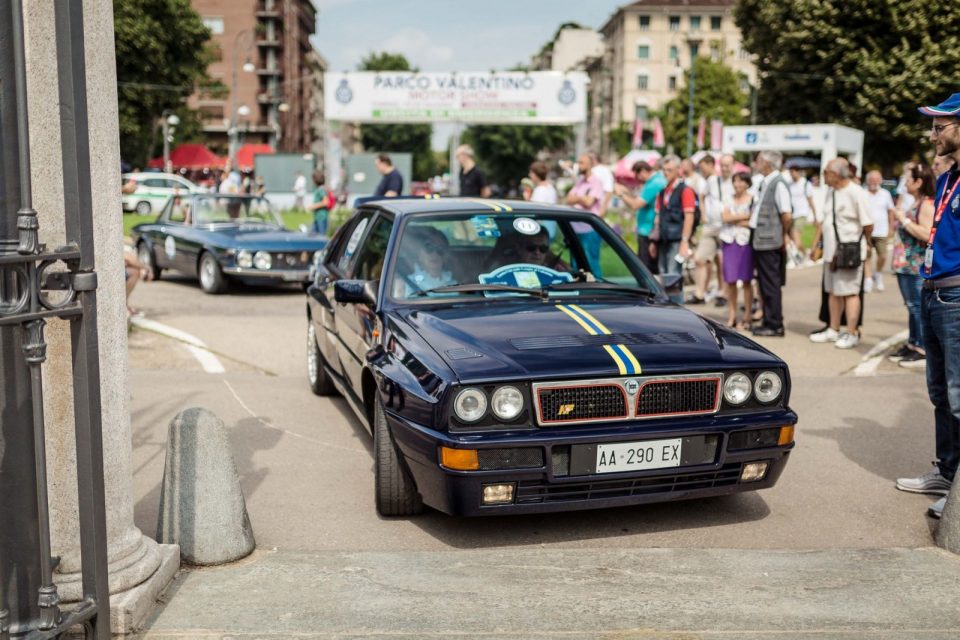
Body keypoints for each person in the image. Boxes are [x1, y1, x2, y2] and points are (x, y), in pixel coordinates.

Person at [897, 94, 960, 519]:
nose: (932, 133)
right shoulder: (946, 178)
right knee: (940, 392)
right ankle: (948, 471)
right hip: (933, 289)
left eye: (940, 126)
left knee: (959, 395)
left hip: (956, 295)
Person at [809, 158, 872, 349]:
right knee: (833, 291)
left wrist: (864, 244)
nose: (823, 175)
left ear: (835, 174)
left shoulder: (856, 192)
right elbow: (825, 221)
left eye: (826, 172)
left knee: (850, 292)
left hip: (848, 252)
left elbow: (867, 223)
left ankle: (852, 331)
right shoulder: (832, 192)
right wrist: (817, 245)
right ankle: (833, 328)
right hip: (831, 253)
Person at [889, 163, 936, 369]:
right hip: (905, 264)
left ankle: (922, 347)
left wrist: (903, 220)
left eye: (908, 179)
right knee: (911, 306)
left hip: (915, 264)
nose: (905, 183)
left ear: (919, 182)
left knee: (917, 307)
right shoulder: (916, 202)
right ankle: (913, 343)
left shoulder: (925, 205)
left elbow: (927, 234)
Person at [749, 150, 793, 337]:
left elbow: (786, 214)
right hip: (762, 240)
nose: (755, 163)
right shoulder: (766, 182)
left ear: (767, 163)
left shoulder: (778, 183)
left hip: (769, 241)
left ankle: (775, 324)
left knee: (770, 284)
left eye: (759, 160)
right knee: (764, 283)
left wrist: (783, 233)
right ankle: (769, 320)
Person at [615, 159, 665, 274]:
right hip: (648, 229)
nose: (638, 180)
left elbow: (635, 204)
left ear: (642, 171)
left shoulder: (654, 183)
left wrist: (621, 194)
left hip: (648, 230)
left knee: (646, 268)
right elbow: (640, 199)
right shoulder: (654, 181)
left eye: (637, 176)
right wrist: (627, 192)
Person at [649, 154, 697, 276]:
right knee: (663, 275)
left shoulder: (685, 190)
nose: (666, 173)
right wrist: (654, 240)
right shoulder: (663, 191)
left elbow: (689, 217)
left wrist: (685, 241)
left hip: (677, 239)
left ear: (678, 170)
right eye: (664, 170)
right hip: (663, 239)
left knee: (673, 277)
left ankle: (675, 297)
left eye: (669, 170)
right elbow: (658, 217)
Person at [719, 171, 755, 329]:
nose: (737, 184)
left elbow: (753, 218)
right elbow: (725, 217)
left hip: (745, 241)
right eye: (735, 181)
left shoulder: (753, 199)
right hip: (729, 241)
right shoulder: (728, 198)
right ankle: (732, 314)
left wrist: (740, 218)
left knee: (747, 279)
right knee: (730, 280)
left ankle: (747, 314)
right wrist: (743, 217)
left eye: (741, 181)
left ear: (747, 183)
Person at [689, 154, 724, 305]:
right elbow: (701, 197)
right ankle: (700, 292)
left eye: (702, 166)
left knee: (721, 261)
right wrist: (703, 213)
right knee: (700, 258)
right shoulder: (707, 181)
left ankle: (723, 292)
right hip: (710, 226)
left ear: (710, 164)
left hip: (724, 225)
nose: (700, 169)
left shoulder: (722, 179)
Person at [564, 153, 606, 276]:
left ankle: (598, 289)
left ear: (590, 164)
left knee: (591, 263)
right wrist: (581, 198)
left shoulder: (596, 182)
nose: (579, 165)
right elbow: (569, 199)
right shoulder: (580, 182)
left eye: (582, 163)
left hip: (589, 229)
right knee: (576, 264)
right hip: (576, 229)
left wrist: (577, 198)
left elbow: (589, 202)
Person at [864, 170, 896, 292]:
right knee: (866, 257)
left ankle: (877, 274)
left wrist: (891, 227)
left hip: (881, 231)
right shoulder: (862, 193)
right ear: (867, 181)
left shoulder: (885, 194)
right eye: (871, 180)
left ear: (880, 181)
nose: (874, 182)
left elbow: (891, 211)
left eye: (876, 180)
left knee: (882, 256)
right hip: (866, 231)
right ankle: (867, 279)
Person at [400, 227, 456, 296]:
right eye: (429, 248)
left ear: (446, 255)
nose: (435, 254)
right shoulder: (410, 283)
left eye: (440, 249)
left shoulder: (455, 284)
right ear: (419, 254)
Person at [788, 166, 815, 260]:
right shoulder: (790, 184)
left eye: (793, 172)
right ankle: (804, 254)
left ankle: (803, 256)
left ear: (798, 172)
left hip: (802, 214)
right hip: (792, 214)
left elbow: (810, 200)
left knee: (796, 237)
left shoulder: (805, 184)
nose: (791, 174)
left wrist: (815, 216)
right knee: (793, 238)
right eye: (790, 172)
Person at [588, 152, 615, 218]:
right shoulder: (590, 170)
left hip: (596, 212)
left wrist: (602, 210)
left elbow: (609, 191)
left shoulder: (604, 170)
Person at [307, 170, 331, 235]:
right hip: (318, 216)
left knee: (321, 237)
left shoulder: (321, 190)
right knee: (313, 235)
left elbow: (326, 202)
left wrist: (313, 206)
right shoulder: (319, 189)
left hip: (321, 217)